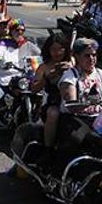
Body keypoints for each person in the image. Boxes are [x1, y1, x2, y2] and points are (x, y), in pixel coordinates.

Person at [0, 19, 41, 140]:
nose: (19, 32)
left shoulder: (28, 45)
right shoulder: (4, 43)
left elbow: (41, 55)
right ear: (11, 31)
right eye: (17, 30)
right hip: (5, 80)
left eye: (22, 30)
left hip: (23, 80)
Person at [56, 38, 102, 160]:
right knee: (85, 137)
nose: (92, 58)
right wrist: (88, 102)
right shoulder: (70, 76)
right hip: (75, 119)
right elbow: (71, 106)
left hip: (99, 120)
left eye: (94, 55)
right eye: (87, 55)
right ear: (77, 56)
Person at [31, 33, 72, 164]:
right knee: (53, 114)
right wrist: (51, 75)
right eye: (53, 49)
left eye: (60, 48)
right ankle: (48, 150)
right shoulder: (44, 67)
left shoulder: (72, 62)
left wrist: (72, 68)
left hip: (72, 101)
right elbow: (34, 88)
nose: (57, 52)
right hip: (52, 102)